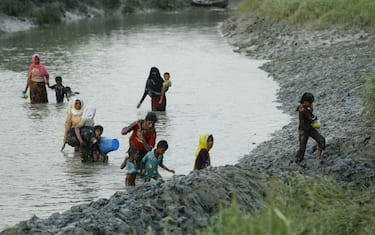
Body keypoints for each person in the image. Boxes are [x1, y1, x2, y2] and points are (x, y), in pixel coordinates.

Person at [292, 92, 326, 163]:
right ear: (305, 102)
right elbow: (310, 118)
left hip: (310, 128)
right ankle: (297, 160)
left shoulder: (305, 107)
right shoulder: (302, 110)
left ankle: (318, 152)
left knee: (321, 139)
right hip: (303, 130)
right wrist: (315, 119)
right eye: (310, 103)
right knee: (302, 147)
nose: (311, 104)